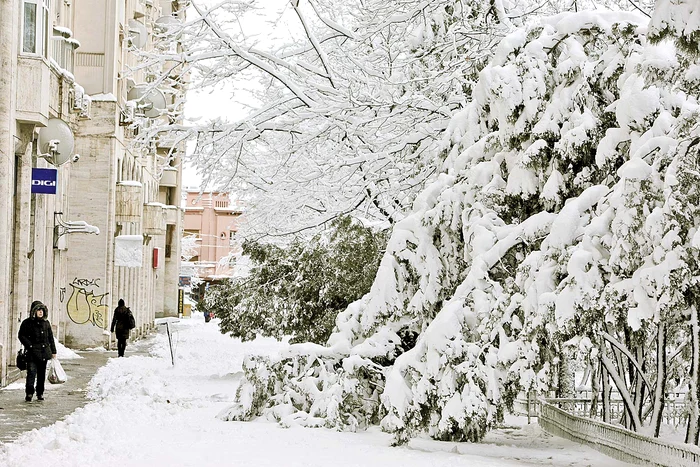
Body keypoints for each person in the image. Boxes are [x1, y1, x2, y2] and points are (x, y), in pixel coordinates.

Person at [18, 301, 57, 402]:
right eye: (39, 310)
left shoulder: (46, 323)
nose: (41, 312)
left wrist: (53, 351)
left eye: (42, 310)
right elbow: (21, 335)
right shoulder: (27, 323)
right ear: (34, 311)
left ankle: (40, 393)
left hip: (44, 352)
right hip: (32, 353)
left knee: (41, 374)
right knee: (31, 373)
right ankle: (29, 393)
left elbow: (50, 338)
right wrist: (30, 345)